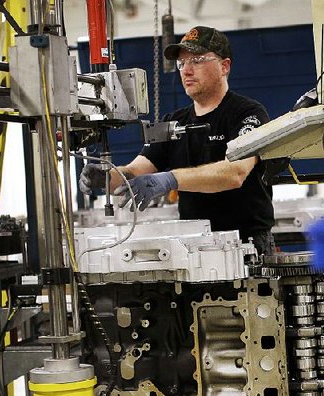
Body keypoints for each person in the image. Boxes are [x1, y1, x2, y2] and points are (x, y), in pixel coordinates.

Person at [79, 26, 276, 255]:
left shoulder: (248, 113)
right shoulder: (173, 122)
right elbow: (136, 171)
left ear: (224, 66)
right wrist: (107, 176)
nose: (186, 70)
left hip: (247, 246)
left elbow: (235, 173)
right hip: (193, 246)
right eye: (182, 64)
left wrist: (169, 179)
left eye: (197, 60)